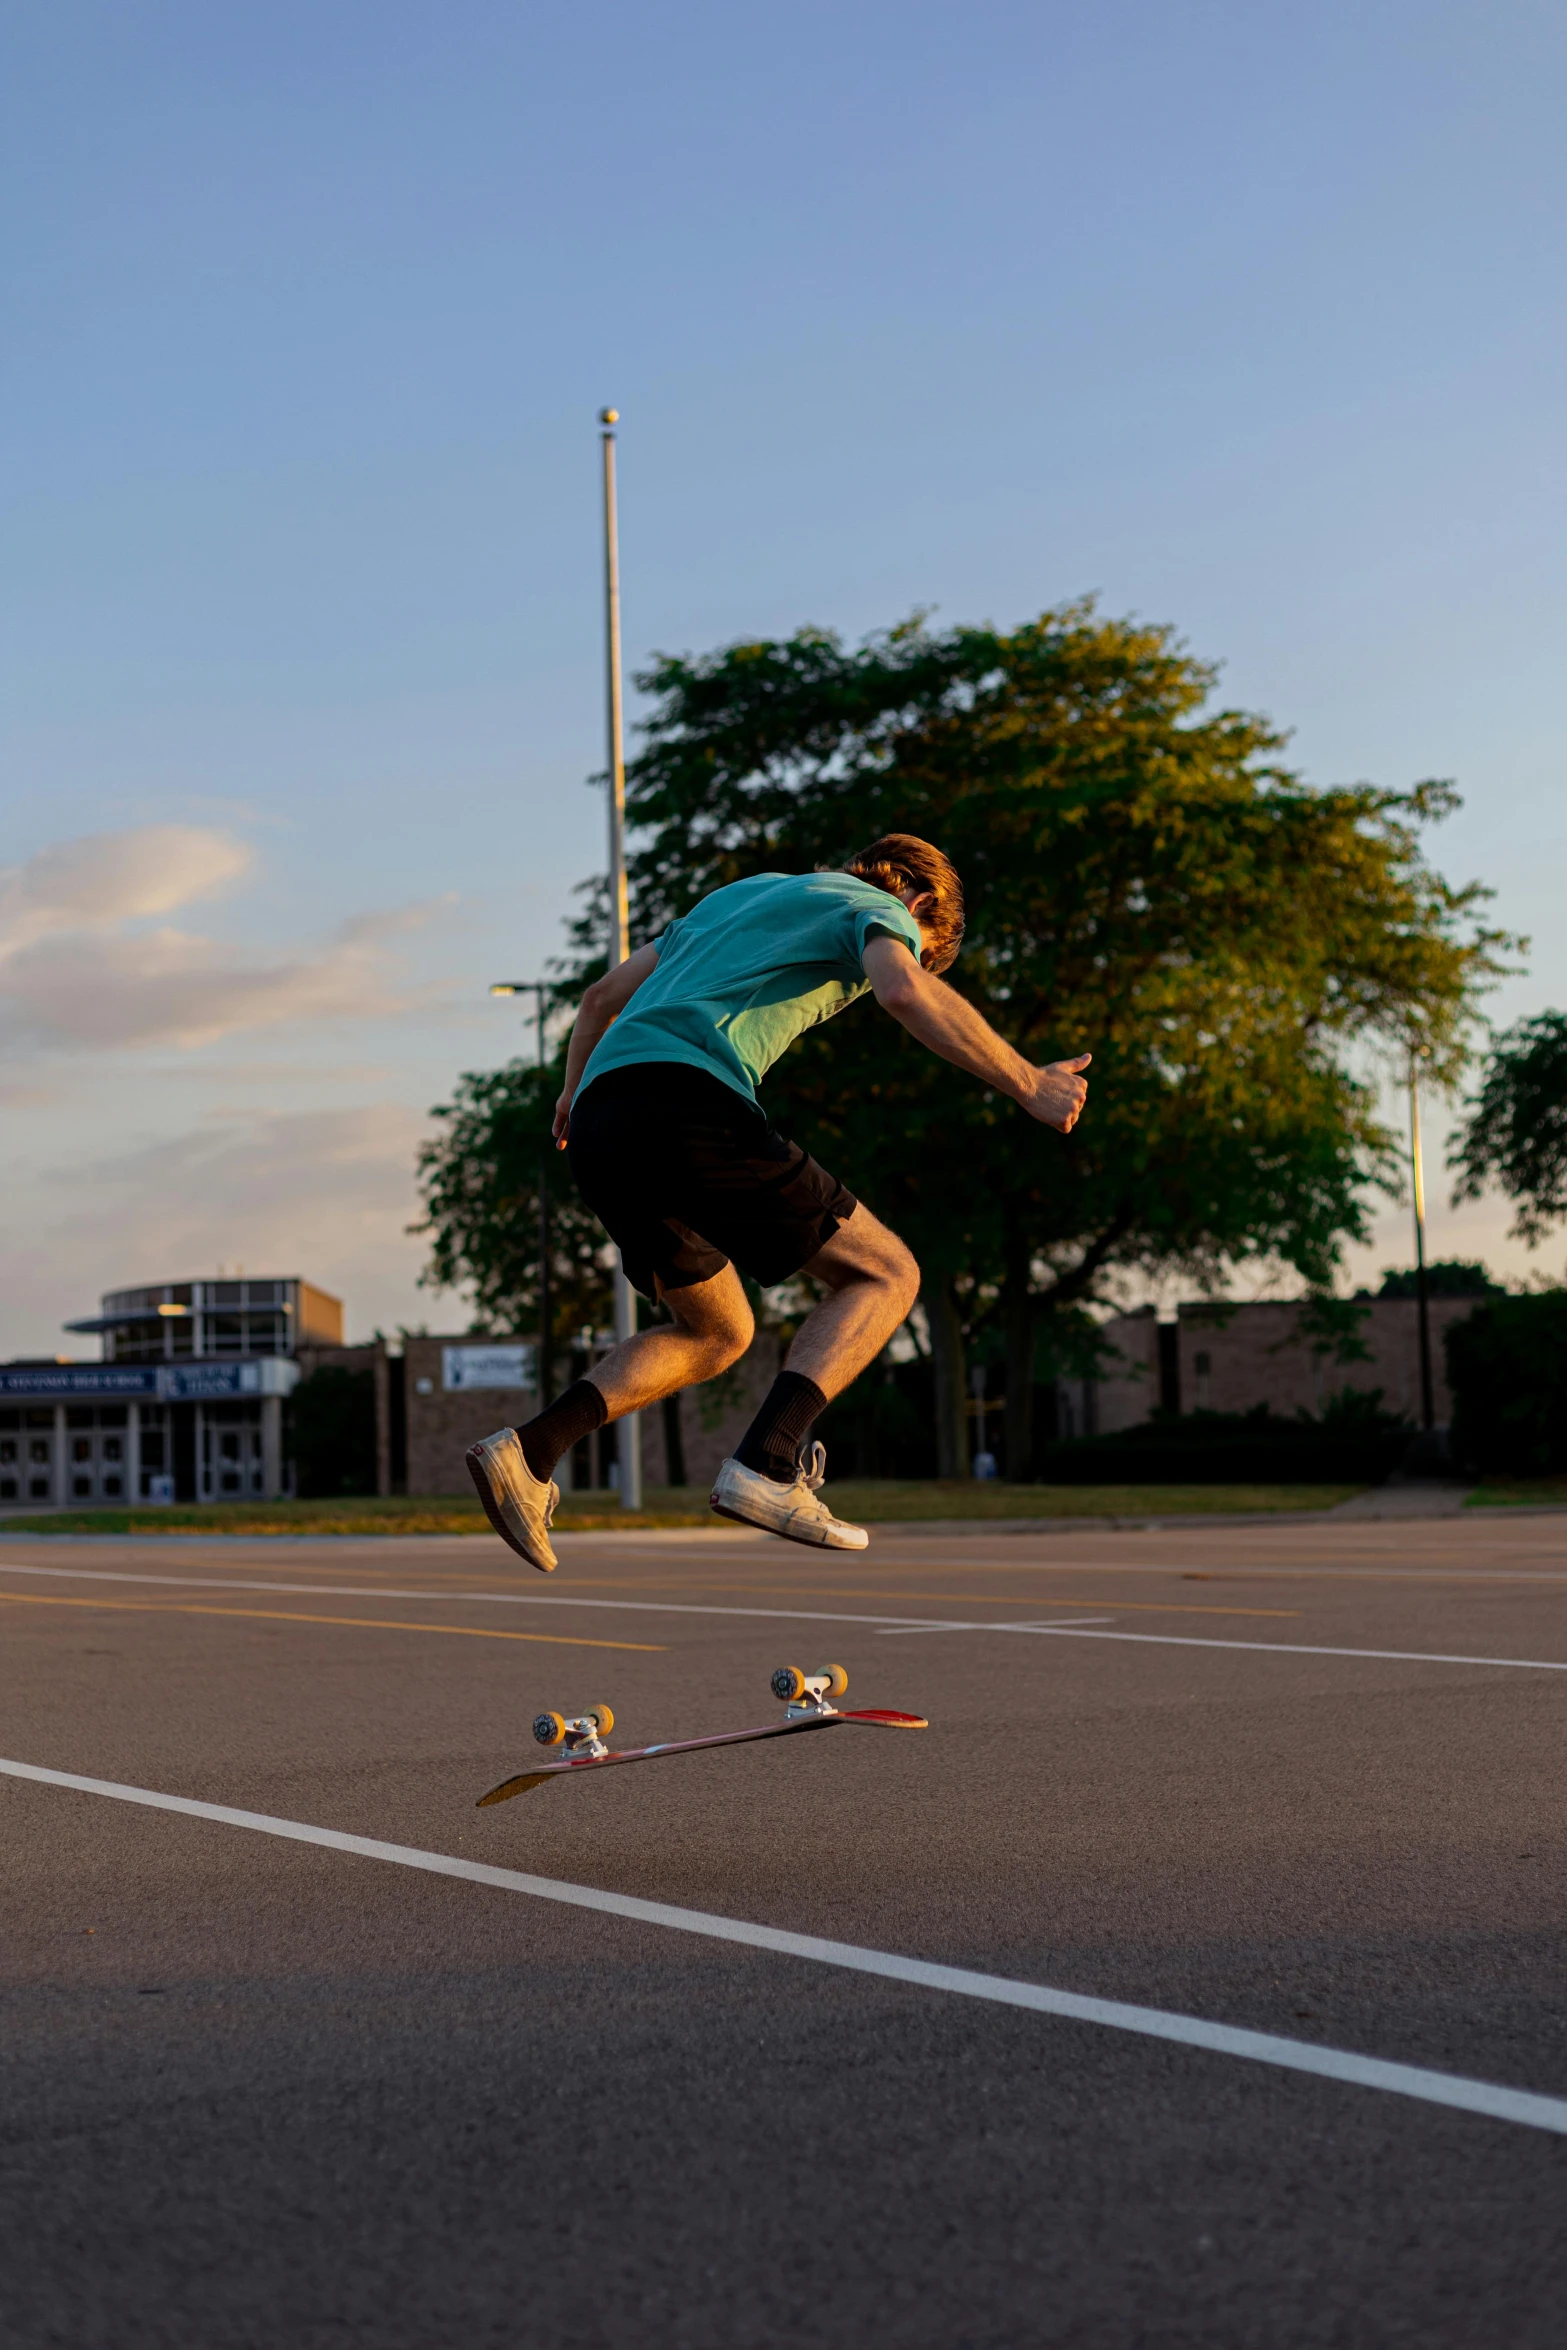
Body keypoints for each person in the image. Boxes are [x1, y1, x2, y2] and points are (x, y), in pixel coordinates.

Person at [466, 835, 1089, 1571]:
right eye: (917, 945)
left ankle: (530, 1453)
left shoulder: (741, 894)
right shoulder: (877, 905)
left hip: (605, 1118)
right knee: (886, 1274)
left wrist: (575, 1095)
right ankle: (769, 1461)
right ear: (920, 904)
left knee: (718, 1331)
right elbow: (901, 991)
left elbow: (600, 999)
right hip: (688, 1101)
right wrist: (1028, 1083)